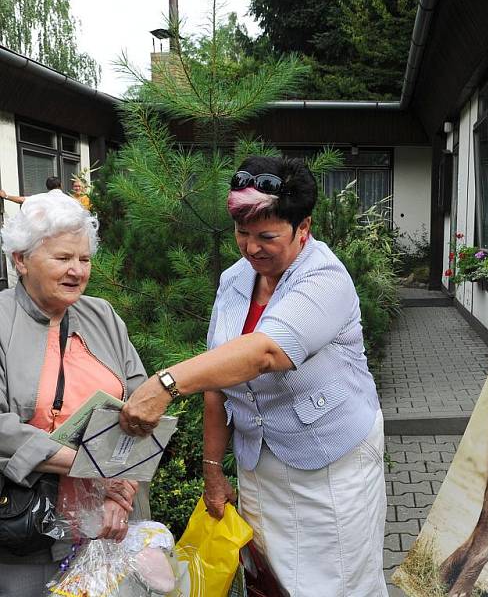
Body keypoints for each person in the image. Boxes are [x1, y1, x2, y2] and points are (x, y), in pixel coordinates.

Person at [120, 156, 388, 597]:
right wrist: (212, 473)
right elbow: (217, 378)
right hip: (260, 464)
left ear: (303, 228)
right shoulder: (235, 281)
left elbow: (265, 352)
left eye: (267, 236)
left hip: (331, 462)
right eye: (242, 234)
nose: (251, 248)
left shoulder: (325, 278)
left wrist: (164, 384)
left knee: (340, 582)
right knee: (274, 581)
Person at [0, 192, 149, 596]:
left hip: (111, 519)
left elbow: (142, 406)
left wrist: (123, 491)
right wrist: (91, 464)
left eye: (83, 259)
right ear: (20, 259)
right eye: (63, 258)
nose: (77, 271)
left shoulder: (103, 315)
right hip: (25, 528)